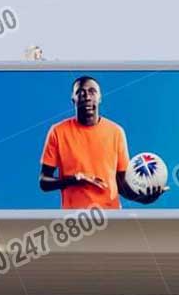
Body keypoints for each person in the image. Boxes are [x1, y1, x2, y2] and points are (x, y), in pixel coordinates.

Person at [39, 75, 163, 209]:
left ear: (99, 98)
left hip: (111, 218)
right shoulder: (57, 131)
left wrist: (144, 198)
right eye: (80, 92)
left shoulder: (116, 132)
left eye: (92, 92)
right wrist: (74, 180)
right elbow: (44, 182)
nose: (87, 96)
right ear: (73, 99)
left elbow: (121, 184)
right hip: (74, 219)